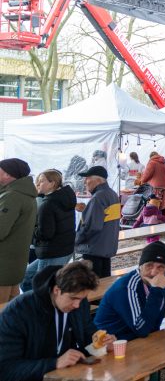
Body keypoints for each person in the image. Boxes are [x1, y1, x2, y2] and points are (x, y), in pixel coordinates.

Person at [95, 242, 165, 381]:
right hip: (114, 348)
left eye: (160, 267)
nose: (153, 272)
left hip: (143, 342)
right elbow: (141, 329)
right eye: (149, 265)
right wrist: (156, 290)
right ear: (140, 266)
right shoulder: (127, 287)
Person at [0, 262, 116, 381]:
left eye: (82, 299)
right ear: (56, 290)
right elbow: (5, 369)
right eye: (73, 298)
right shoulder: (18, 312)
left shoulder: (79, 304)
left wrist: (102, 345)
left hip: (68, 375)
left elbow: (88, 337)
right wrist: (54, 363)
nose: (77, 305)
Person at [22, 169, 75, 292]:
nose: (38, 184)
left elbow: (45, 233)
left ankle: (42, 309)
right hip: (63, 249)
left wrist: (29, 228)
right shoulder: (65, 198)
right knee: (27, 278)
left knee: (43, 287)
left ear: (53, 183)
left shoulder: (48, 204)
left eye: (41, 181)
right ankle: (33, 305)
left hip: (52, 252)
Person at [0, 158, 37, 301]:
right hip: (14, 264)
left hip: (3, 264)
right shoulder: (26, 194)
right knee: (11, 310)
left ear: (8, 174)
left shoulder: (12, 196)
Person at [74, 166, 120, 279]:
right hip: (106, 246)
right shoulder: (112, 194)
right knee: (104, 282)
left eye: (87, 178)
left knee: (93, 285)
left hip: (94, 248)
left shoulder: (98, 197)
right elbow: (104, 220)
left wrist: (76, 239)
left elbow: (92, 226)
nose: (85, 181)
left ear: (98, 180)